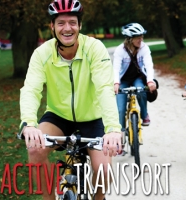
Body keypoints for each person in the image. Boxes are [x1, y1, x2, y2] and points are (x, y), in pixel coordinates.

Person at [19, 0, 122, 199]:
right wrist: (29, 124)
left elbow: (104, 89)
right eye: (61, 23)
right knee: (35, 149)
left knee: (104, 171)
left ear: (80, 25)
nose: (67, 28)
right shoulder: (41, 54)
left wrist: (113, 129)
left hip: (93, 118)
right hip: (58, 116)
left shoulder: (94, 48)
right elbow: (31, 89)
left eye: (72, 22)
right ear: (52, 26)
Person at [113, 22, 157, 129]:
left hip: (137, 78)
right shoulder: (120, 50)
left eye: (142, 37)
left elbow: (149, 65)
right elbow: (116, 68)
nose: (141, 39)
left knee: (141, 91)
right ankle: (121, 132)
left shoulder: (144, 48)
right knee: (120, 109)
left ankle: (144, 114)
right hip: (123, 80)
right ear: (129, 39)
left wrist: (150, 81)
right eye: (138, 37)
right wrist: (116, 83)